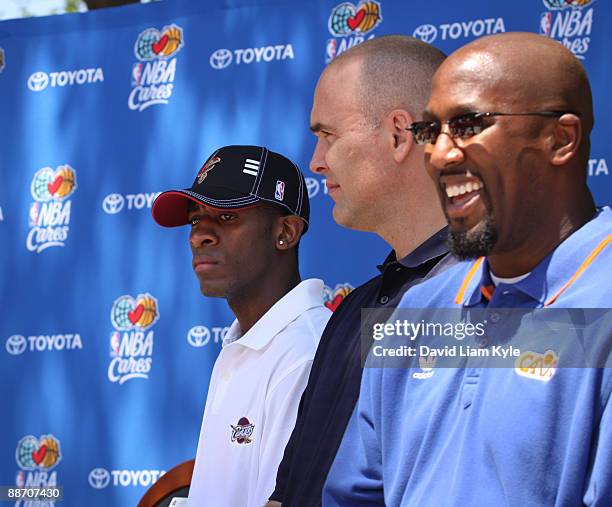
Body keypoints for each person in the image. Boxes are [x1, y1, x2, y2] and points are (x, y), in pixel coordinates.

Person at [325, 32, 611, 506]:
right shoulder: (418, 308)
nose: (438, 154)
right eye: (429, 131)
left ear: (560, 139)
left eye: (467, 125)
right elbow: (355, 495)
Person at [268, 36, 455, 507]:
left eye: (327, 135)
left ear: (398, 134)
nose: (315, 161)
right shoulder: (352, 311)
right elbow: (289, 490)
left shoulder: (491, 301)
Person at [151, 145, 331, 507]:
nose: (199, 235)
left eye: (227, 217)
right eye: (195, 219)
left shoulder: (306, 354)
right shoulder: (245, 343)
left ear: (286, 232)